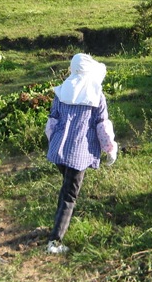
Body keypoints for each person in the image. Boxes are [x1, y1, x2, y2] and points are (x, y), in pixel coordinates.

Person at [44, 53, 118, 254]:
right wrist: (110, 149)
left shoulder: (61, 93)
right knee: (69, 195)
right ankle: (55, 242)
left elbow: (52, 122)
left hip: (59, 151)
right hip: (79, 154)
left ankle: (57, 228)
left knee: (66, 190)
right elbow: (102, 126)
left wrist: (53, 143)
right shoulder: (96, 96)